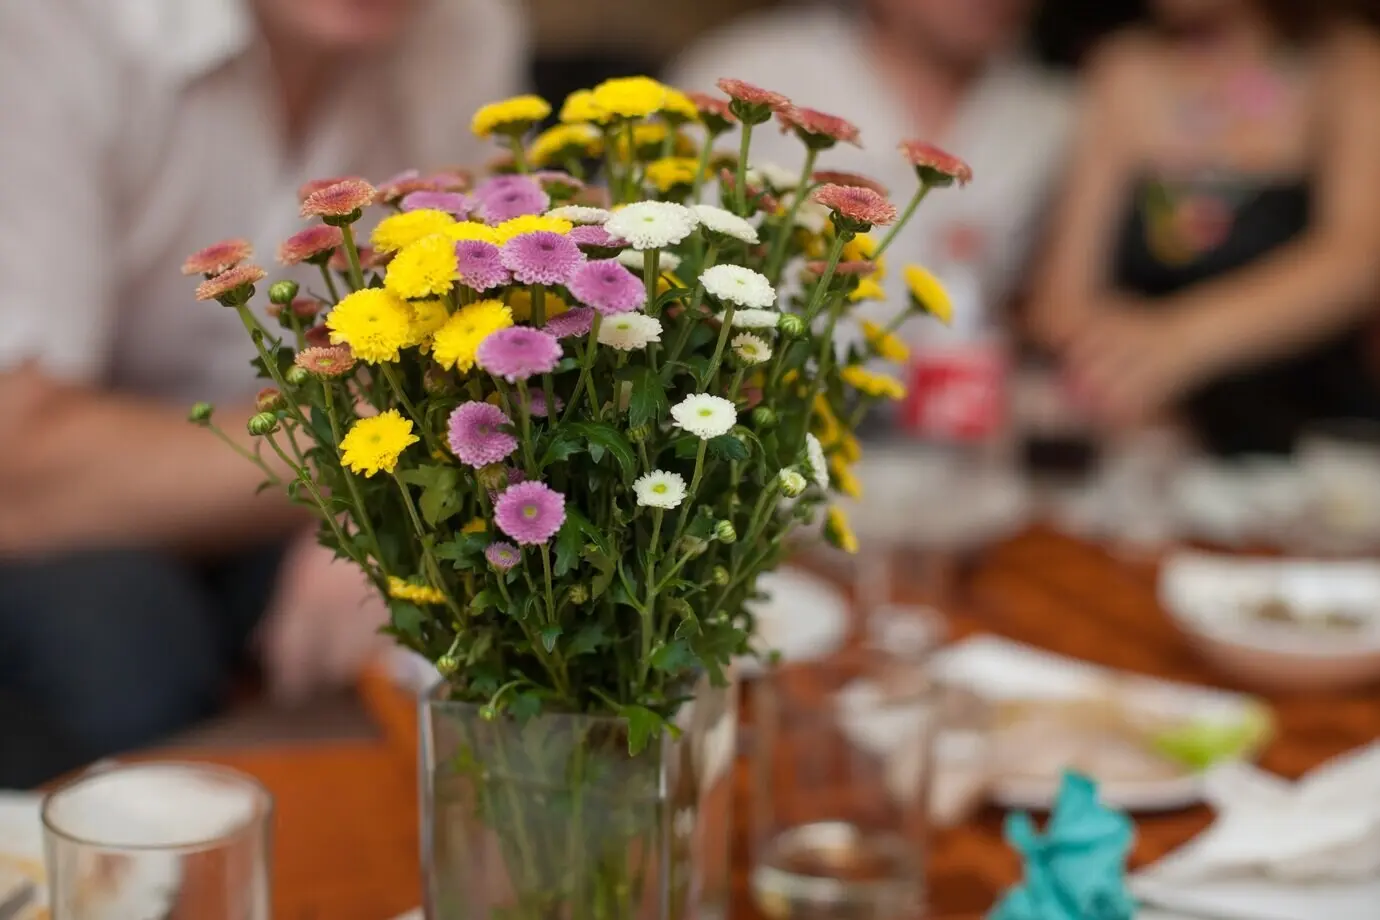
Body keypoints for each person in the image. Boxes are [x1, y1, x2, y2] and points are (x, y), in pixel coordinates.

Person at [0, 0, 525, 785]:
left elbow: (472, 324)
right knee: (123, 647)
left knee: (490, 601)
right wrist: (361, 464)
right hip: (62, 517)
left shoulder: (465, 23)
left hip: (268, 483)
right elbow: (21, 469)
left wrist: (378, 507)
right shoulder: (54, 27)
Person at [1031, 0, 1380, 456]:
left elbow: (1358, 257)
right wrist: (1114, 361)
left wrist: (1182, 340)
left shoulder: (1348, 65)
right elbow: (1059, 299)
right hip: (1157, 445)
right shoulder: (1125, 67)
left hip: (1317, 444)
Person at [666, 0, 1074, 351]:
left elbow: (1047, 314)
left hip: (954, 421)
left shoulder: (1057, 114)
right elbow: (657, 259)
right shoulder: (749, 70)